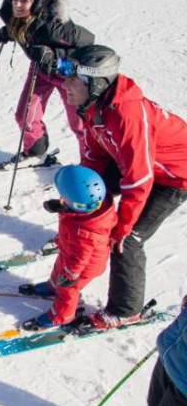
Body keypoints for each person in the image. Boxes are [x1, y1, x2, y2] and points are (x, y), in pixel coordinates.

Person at [57, 45, 187, 329]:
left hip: (174, 177)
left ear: (95, 83)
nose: (65, 84)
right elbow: (95, 155)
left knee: (127, 241)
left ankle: (126, 310)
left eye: (73, 78)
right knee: (83, 189)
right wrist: (83, 201)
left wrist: (122, 227)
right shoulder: (93, 105)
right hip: (135, 164)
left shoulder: (127, 115)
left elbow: (139, 179)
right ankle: (83, 237)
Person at [0, 0, 95, 163]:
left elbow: (88, 46)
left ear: (39, 1)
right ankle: (35, 152)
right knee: (25, 116)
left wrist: (54, 56)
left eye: (24, 1)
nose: (17, 4)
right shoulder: (13, 13)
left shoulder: (56, 27)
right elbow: (28, 31)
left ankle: (93, 162)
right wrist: (10, 31)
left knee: (79, 124)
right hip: (40, 70)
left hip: (69, 74)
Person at [22, 165, 116, 330]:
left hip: (82, 267)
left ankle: (61, 316)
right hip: (69, 255)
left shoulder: (84, 232)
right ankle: (52, 286)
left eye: (63, 197)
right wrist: (62, 207)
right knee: (59, 268)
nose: (61, 198)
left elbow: (81, 257)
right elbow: (77, 212)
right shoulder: (90, 207)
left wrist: (70, 275)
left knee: (68, 288)